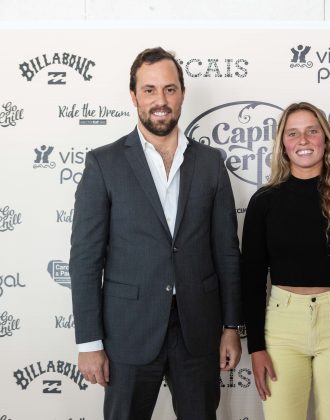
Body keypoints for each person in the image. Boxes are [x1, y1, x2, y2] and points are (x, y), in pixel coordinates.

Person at [69, 47, 242, 420]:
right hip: (128, 331)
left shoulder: (211, 163)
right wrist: (89, 342)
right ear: (133, 95)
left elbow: (226, 252)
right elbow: (85, 259)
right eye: (149, 90)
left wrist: (230, 326)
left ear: (181, 93)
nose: (160, 100)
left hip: (197, 328)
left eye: (169, 89)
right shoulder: (104, 163)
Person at [241, 102, 330, 420]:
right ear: (283, 144)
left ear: (326, 139)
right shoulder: (264, 203)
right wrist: (256, 347)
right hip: (282, 326)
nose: (303, 140)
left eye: (311, 131)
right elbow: (251, 281)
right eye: (293, 133)